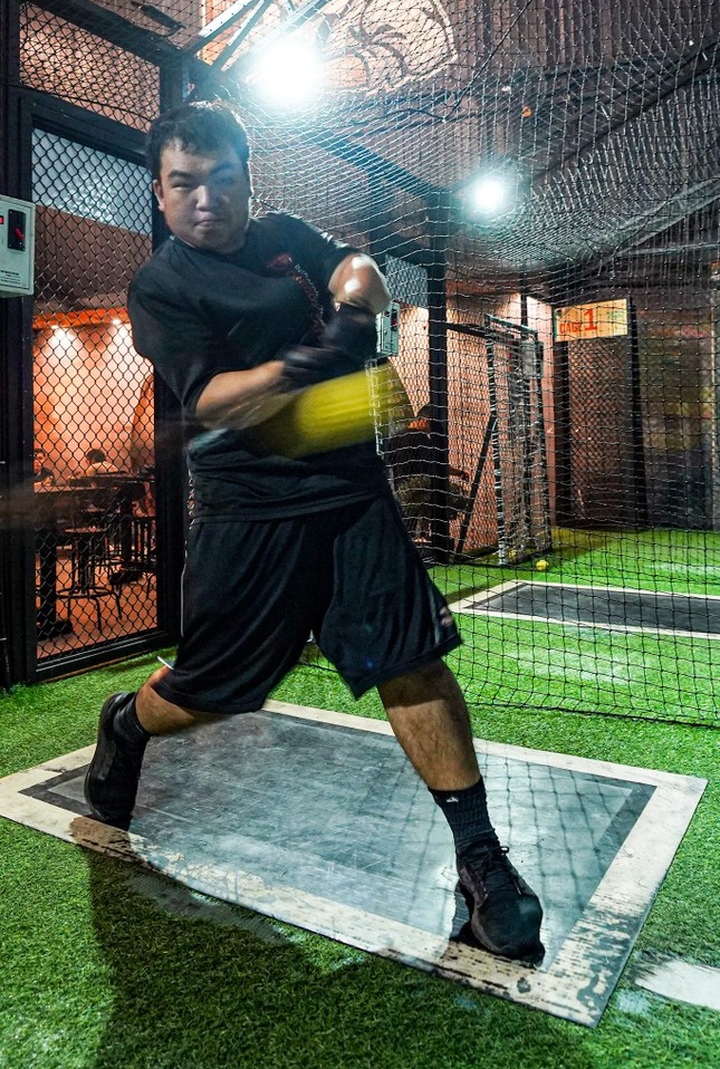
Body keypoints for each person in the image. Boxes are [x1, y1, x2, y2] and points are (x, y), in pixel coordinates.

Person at [84, 101, 543, 963]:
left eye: (223, 179)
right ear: (160, 190)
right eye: (184, 184)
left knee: (409, 656)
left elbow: (358, 268)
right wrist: (317, 359)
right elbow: (213, 397)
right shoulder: (164, 284)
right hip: (248, 507)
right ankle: (129, 725)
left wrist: (359, 284)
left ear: (249, 179)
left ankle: (482, 865)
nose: (206, 199)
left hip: (347, 489)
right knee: (216, 688)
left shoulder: (287, 234)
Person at [386, 405, 469, 542]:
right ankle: (423, 534)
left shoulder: (395, 438)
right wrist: (459, 473)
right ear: (425, 421)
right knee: (445, 494)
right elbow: (439, 466)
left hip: (399, 489)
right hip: (419, 491)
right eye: (432, 425)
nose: (431, 430)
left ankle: (419, 535)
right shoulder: (423, 440)